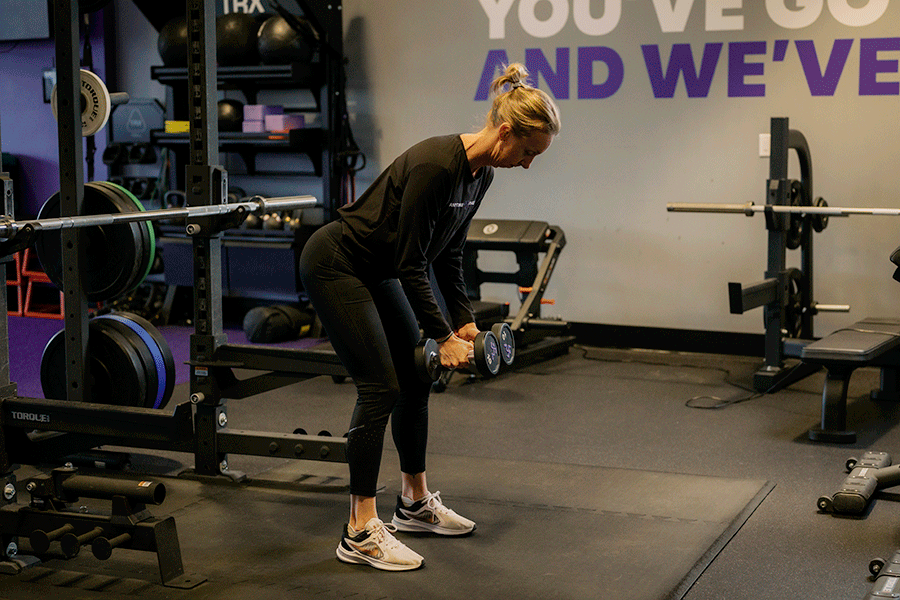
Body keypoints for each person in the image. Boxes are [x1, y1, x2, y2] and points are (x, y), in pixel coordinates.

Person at [298, 63, 561, 572]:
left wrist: (463, 324)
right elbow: (410, 262)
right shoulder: (437, 165)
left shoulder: (480, 173)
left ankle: (413, 505)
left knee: (416, 378)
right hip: (336, 263)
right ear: (506, 131)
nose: (528, 164)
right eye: (528, 152)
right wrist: (441, 335)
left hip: (376, 271)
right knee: (380, 387)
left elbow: (449, 254)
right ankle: (359, 530)